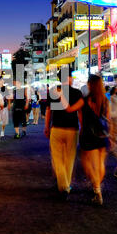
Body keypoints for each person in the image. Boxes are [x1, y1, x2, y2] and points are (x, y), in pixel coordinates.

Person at [60, 74, 110, 205]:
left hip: (89, 135)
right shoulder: (105, 100)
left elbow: (70, 110)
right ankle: (97, 185)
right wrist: (113, 136)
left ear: (90, 85)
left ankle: (97, 190)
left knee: (88, 163)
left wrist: (61, 97)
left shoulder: (85, 100)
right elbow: (109, 120)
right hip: (103, 135)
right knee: (100, 164)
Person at [44, 67, 83, 201]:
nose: (73, 79)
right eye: (72, 76)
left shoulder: (53, 91)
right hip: (72, 129)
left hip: (57, 128)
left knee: (57, 159)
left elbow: (49, 111)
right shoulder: (77, 93)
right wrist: (82, 127)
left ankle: (64, 185)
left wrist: (47, 127)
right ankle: (66, 185)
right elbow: (79, 113)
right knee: (69, 158)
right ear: (68, 78)